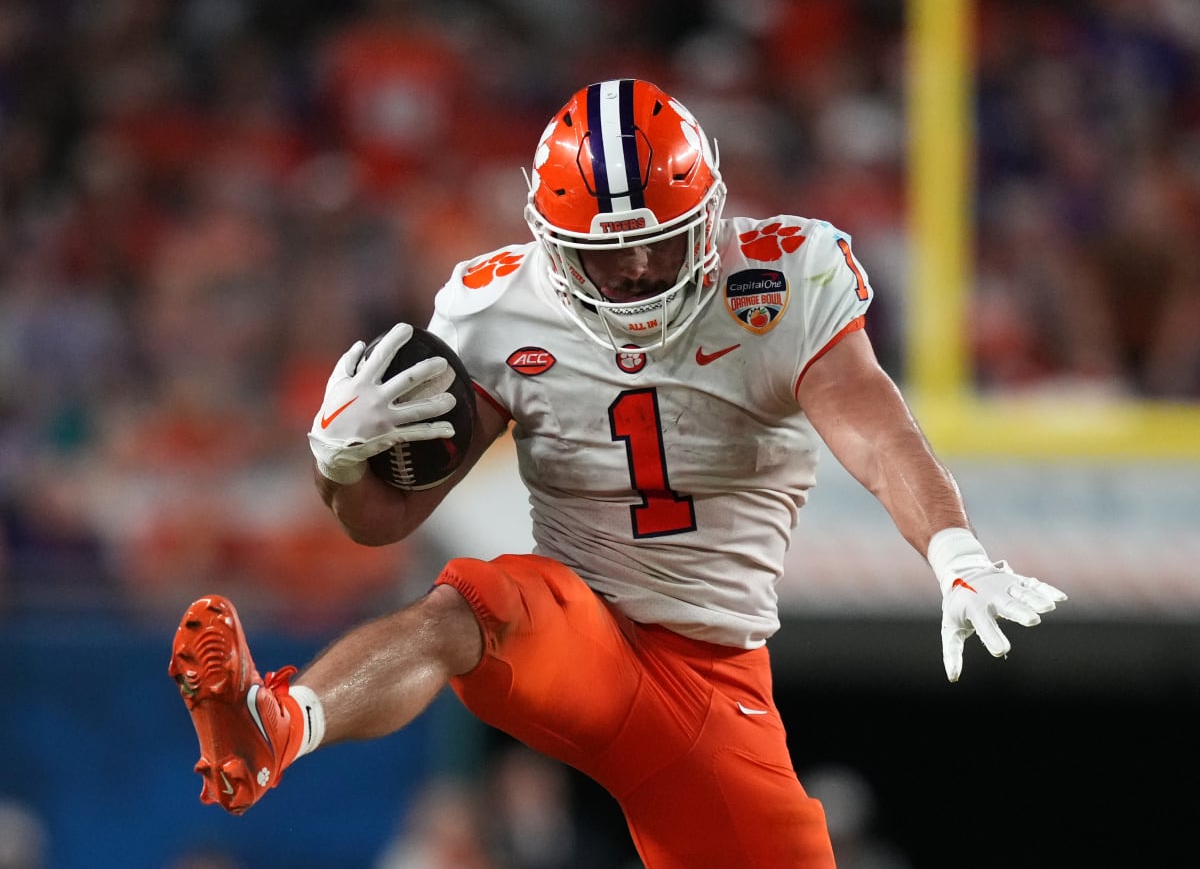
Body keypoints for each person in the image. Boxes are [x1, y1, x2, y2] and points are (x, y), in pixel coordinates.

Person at [169, 78, 1067, 868]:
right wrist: (337, 463)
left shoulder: (783, 278)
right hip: (579, 625)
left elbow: (870, 424)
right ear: (550, 240)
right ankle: (277, 723)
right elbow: (384, 519)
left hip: (714, 677)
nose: (637, 270)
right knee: (468, 606)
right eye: (608, 252)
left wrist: (952, 548)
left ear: (711, 216)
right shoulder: (495, 307)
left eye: (662, 243)